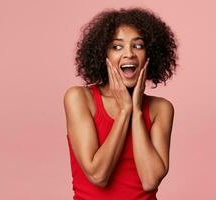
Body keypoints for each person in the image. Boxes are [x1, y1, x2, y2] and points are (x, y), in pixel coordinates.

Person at [64, 7, 178, 200]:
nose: (129, 54)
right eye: (117, 47)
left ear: (150, 55)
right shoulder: (79, 98)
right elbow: (98, 175)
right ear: (104, 55)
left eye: (138, 46)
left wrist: (137, 111)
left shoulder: (161, 109)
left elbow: (150, 180)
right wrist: (125, 111)